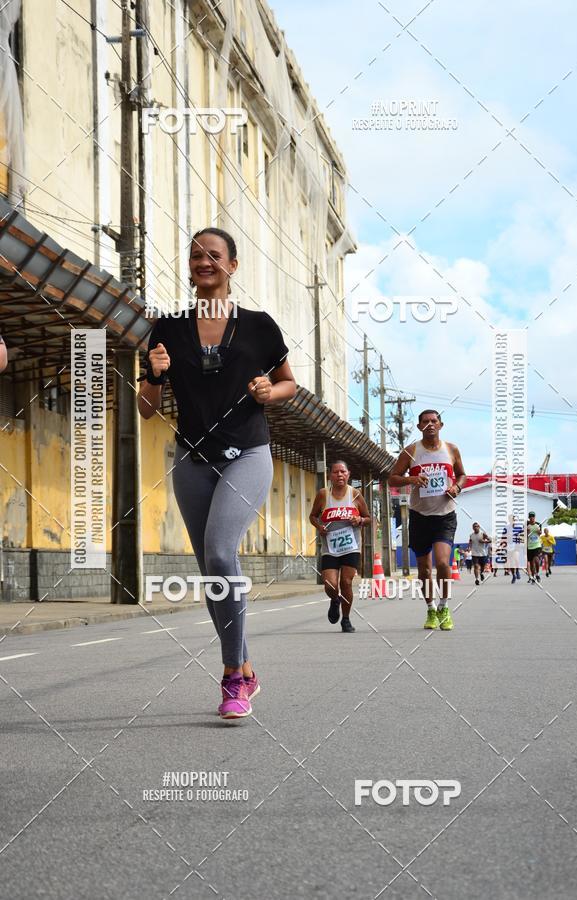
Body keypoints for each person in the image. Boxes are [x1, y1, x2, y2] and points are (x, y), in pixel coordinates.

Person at [137, 227, 296, 720]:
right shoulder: (168, 328)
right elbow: (145, 408)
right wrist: (156, 374)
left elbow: (289, 385)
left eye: (214, 254)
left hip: (248, 453)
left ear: (233, 265)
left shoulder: (259, 326)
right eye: (195, 255)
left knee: (223, 552)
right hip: (191, 460)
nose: (203, 261)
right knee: (212, 571)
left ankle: (232, 678)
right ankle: (245, 667)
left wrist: (270, 392)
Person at [388, 409, 466, 630]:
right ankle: (431, 609)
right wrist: (412, 479)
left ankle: (444, 606)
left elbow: (462, 474)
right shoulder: (411, 451)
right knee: (423, 568)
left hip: (445, 515)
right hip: (419, 515)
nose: (430, 424)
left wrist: (456, 487)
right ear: (419, 426)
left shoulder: (451, 449)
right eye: (425, 422)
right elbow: (392, 479)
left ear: (441, 425)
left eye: (434, 421)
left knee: (442, 562)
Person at [309, 460, 371, 633]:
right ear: (330, 476)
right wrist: (319, 526)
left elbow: (368, 518)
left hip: (351, 546)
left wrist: (359, 520)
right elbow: (313, 516)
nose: (340, 475)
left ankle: (346, 619)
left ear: (348, 474)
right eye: (336, 472)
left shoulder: (356, 494)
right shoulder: (323, 494)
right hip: (330, 547)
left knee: (346, 582)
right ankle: (335, 600)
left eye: (343, 472)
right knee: (330, 584)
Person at [526, 511, 543, 583]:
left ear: (534, 517)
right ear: (529, 517)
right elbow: (524, 535)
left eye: (533, 516)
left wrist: (539, 531)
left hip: (537, 545)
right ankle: (534, 575)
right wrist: (527, 532)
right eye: (530, 517)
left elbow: (540, 533)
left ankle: (538, 573)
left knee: (536, 559)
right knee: (531, 563)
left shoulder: (538, 524)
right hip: (529, 546)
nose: (532, 518)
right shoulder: (526, 525)